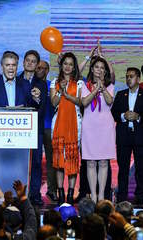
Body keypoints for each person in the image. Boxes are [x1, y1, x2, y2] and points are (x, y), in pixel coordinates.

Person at [111, 67, 143, 204]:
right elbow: (114, 113)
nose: (128, 79)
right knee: (123, 169)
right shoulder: (121, 94)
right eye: (126, 76)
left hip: (140, 137)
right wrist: (123, 116)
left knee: (141, 168)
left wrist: (138, 117)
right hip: (123, 137)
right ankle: (122, 198)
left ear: (138, 78)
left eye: (131, 76)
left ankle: (140, 197)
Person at [50, 52, 83, 205]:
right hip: (58, 124)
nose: (68, 67)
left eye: (71, 64)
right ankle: (60, 192)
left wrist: (67, 94)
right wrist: (59, 89)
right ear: (61, 66)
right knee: (59, 161)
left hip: (74, 124)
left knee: (72, 160)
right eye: (65, 64)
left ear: (73, 66)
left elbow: (81, 102)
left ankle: (70, 193)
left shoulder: (79, 83)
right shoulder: (54, 82)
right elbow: (53, 102)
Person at [81, 57, 115, 203]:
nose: (99, 70)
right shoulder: (84, 85)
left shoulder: (110, 86)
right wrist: (95, 89)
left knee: (103, 162)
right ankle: (93, 195)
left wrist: (102, 87)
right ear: (92, 70)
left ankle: (101, 195)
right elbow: (85, 102)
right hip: (89, 126)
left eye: (102, 68)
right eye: (97, 67)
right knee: (90, 162)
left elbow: (109, 101)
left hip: (105, 127)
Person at [19, 50, 47, 206]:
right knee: (20, 162)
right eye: (27, 60)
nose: (29, 63)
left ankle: (35, 194)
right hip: (19, 129)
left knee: (36, 162)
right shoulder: (14, 80)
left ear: (37, 65)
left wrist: (35, 100)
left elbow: (41, 109)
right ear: (23, 62)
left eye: (33, 61)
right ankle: (19, 193)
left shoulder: (41, 84)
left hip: (35, 128)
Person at [36, 60, 57, 202]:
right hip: (35, 127)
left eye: (44, 68)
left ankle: (52, 190)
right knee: (35, 160)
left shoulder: (51, 85)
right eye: (39, 68)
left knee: (51, 161)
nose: (41, 70)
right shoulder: (31, 85)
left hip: (49, 126)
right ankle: (34, 190)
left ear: (48, 70)